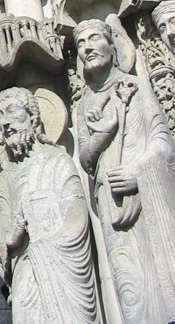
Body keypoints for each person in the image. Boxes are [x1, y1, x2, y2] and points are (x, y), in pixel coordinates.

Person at [74, 18, 175, 324]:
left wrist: (138, 173)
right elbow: (85, 158)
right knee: (130, 284)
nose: (87, 48)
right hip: (111, 202)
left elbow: (162, 140)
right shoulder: (84, 104)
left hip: (147, 195)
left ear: (112, 46)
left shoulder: (136, 86)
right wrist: (104, 132)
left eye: (94, 39)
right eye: (80, 44)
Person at [0, 87, 101, 323]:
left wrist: (51, 244)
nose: (5, 123)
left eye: (11, 111)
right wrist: (11, 238)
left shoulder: (57, 160)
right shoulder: (8, 176)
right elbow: (5, 224)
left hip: (64, 266)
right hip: (27, 268)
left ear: (32, 116)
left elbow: (78, 213)